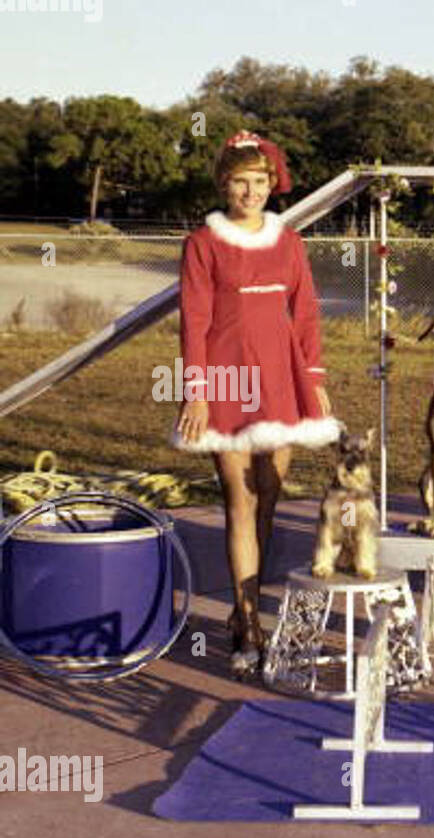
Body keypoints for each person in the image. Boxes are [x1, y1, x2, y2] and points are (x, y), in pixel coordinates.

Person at [171, 131, 340, 678]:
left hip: (281, 376)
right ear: (224, 184)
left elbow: (307, 312)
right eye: (240, 181)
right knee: (238, 500)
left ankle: (249, 608)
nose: (250, 191)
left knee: (268, 498)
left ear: (272, 184)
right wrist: (196, 391)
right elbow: (194, 321)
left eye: (259, 181)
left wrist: (312, 378)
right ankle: (248, 622)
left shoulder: (289, 241)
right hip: (225, 375)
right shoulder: (202, 242)